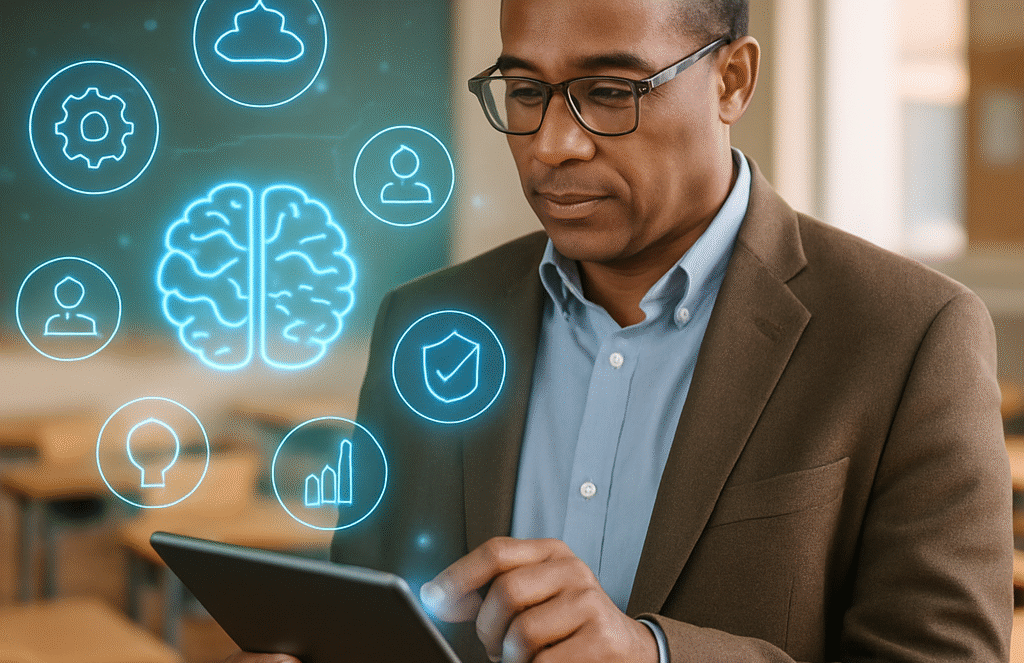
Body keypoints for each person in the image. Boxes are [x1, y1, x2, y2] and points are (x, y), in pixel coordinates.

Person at [224, 0, 1013, 661]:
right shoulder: (427, 323)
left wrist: (657, 654)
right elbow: (366, 625)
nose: (550, 145)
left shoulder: (911, 335)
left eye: (608, 91)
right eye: (524, 91)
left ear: (732, 80)